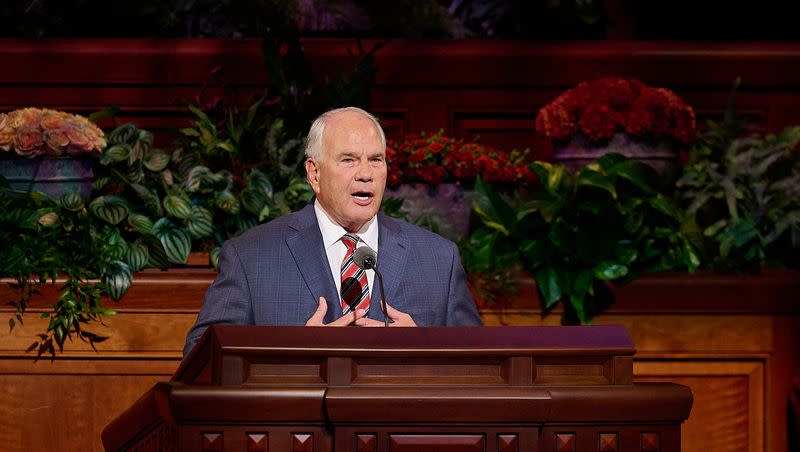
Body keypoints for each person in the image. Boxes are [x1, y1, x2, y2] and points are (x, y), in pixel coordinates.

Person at [183, 107, 482, 356]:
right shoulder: (251, 257)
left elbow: (479, 367)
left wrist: (424, 350)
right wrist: (294, 355)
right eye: (349, 160)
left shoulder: (438, 259)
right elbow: (201, 359)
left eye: (376, 160)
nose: (366, 174)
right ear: (314, 173)